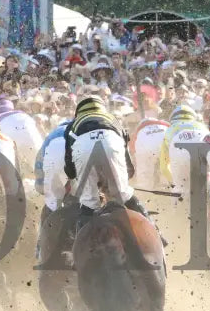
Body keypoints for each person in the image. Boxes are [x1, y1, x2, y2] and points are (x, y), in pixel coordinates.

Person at [63, 95, 154, 230]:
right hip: (111, 141)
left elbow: (70, 170)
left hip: (83, 147)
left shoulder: (72, 125)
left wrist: (92, 182)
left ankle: (78, 243)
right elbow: (129, 168)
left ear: (79, 113)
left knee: (89, 203)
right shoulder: (113, 120)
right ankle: (154, 230)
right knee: (125, 195)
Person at [160, 106, 208, 199]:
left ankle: (177, 209)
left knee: (179, 192)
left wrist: (173, 183)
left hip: (180, 159)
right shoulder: (202, 126)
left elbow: (163, 167)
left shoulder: (169, 130)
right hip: (203, 158)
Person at [130, 114, 170, 190]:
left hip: (145, 149)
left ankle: (144, 189)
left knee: (144, 170)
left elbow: (132, 150)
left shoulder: (138, 131)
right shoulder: (164, 125)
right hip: (165, 146)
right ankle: (166, 186)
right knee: (167, 167)